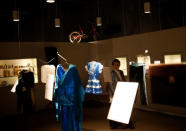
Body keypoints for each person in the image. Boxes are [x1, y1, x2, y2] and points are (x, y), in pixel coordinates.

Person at [108, 58, 135, 129]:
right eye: (115, 64)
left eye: (118, 64)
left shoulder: (121, 72)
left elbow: (123, 81)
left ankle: (125, 123)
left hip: (121, 92)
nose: (117, 66)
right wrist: (115, 94)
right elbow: (111, 84)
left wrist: (126, 90)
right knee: (114, 109)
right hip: (114, 93)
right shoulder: (111, 73)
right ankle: (113, 125)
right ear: (113, 65)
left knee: (123, 109)